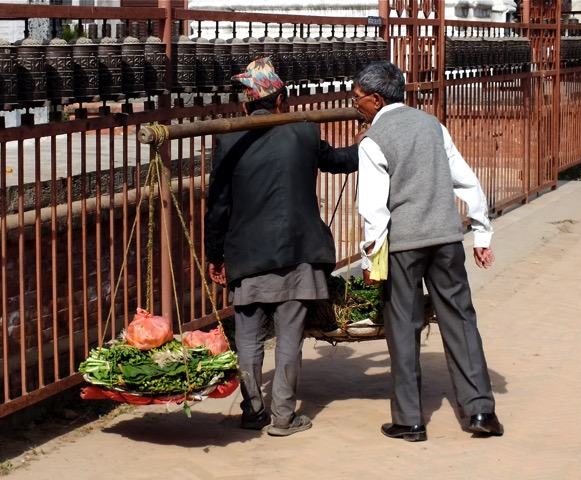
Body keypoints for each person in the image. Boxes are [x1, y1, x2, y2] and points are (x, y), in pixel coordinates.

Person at [204, 57, 359, 437]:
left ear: (245, 107)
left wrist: (214, 255)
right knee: (289, 335)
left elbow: (218, 205)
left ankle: (252, 411)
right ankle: (284, 417)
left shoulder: (229, 139)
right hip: (297, 253)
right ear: (280, 100)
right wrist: (370, 140)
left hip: (248, 256)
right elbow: (341, 161)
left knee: (248, 337)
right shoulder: (304, 132)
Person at [352, 61, 503, 442]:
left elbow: (374, 210)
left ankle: (410, 420)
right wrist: (481, 234)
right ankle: (481, 410)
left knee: (404, 327)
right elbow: (466, 180)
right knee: (461, 319)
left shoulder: (373, 140)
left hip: (404, 247)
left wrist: (371, 260)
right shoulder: (432, 125)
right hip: (446, 239)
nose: (355, 105)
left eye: (357, 99)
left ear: (376, 99)